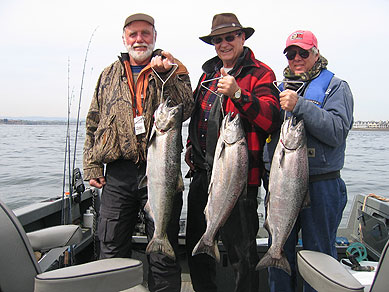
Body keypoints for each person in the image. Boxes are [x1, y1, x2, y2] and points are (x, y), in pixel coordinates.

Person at [83, 13, 194, 292]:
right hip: (117, 175)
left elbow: (187, 107)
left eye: (145, 33)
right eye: (133, 34)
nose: (139, 39)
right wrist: (92, 166)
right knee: (110, 247)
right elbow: (93, 121)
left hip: (160, 170)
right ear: (124, 38)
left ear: (154, 37)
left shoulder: (172, 67)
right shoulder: (108, 75)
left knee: (162, 255)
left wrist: (169, 74)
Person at [184, 13, 280, 292]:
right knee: (197, 250)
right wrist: (192, 146)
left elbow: (272, 118)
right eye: (217, 39)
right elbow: (199, 119)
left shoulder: (261, 73)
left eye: (229, 37)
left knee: (243, 257)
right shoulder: (207, 75)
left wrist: (239, 94)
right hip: (203, 177)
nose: (223, 44)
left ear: (242, 37)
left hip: (240, 182)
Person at [265, 30, 354, 292]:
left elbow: (337, 131)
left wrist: (301, 105)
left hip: (321, 187)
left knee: (320, 260)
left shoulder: (336, 87)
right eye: (291, 54)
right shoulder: (277, 88)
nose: (297, 58)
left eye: (303, 52)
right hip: (281, 185)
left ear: (316, 53)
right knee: (277, 253)